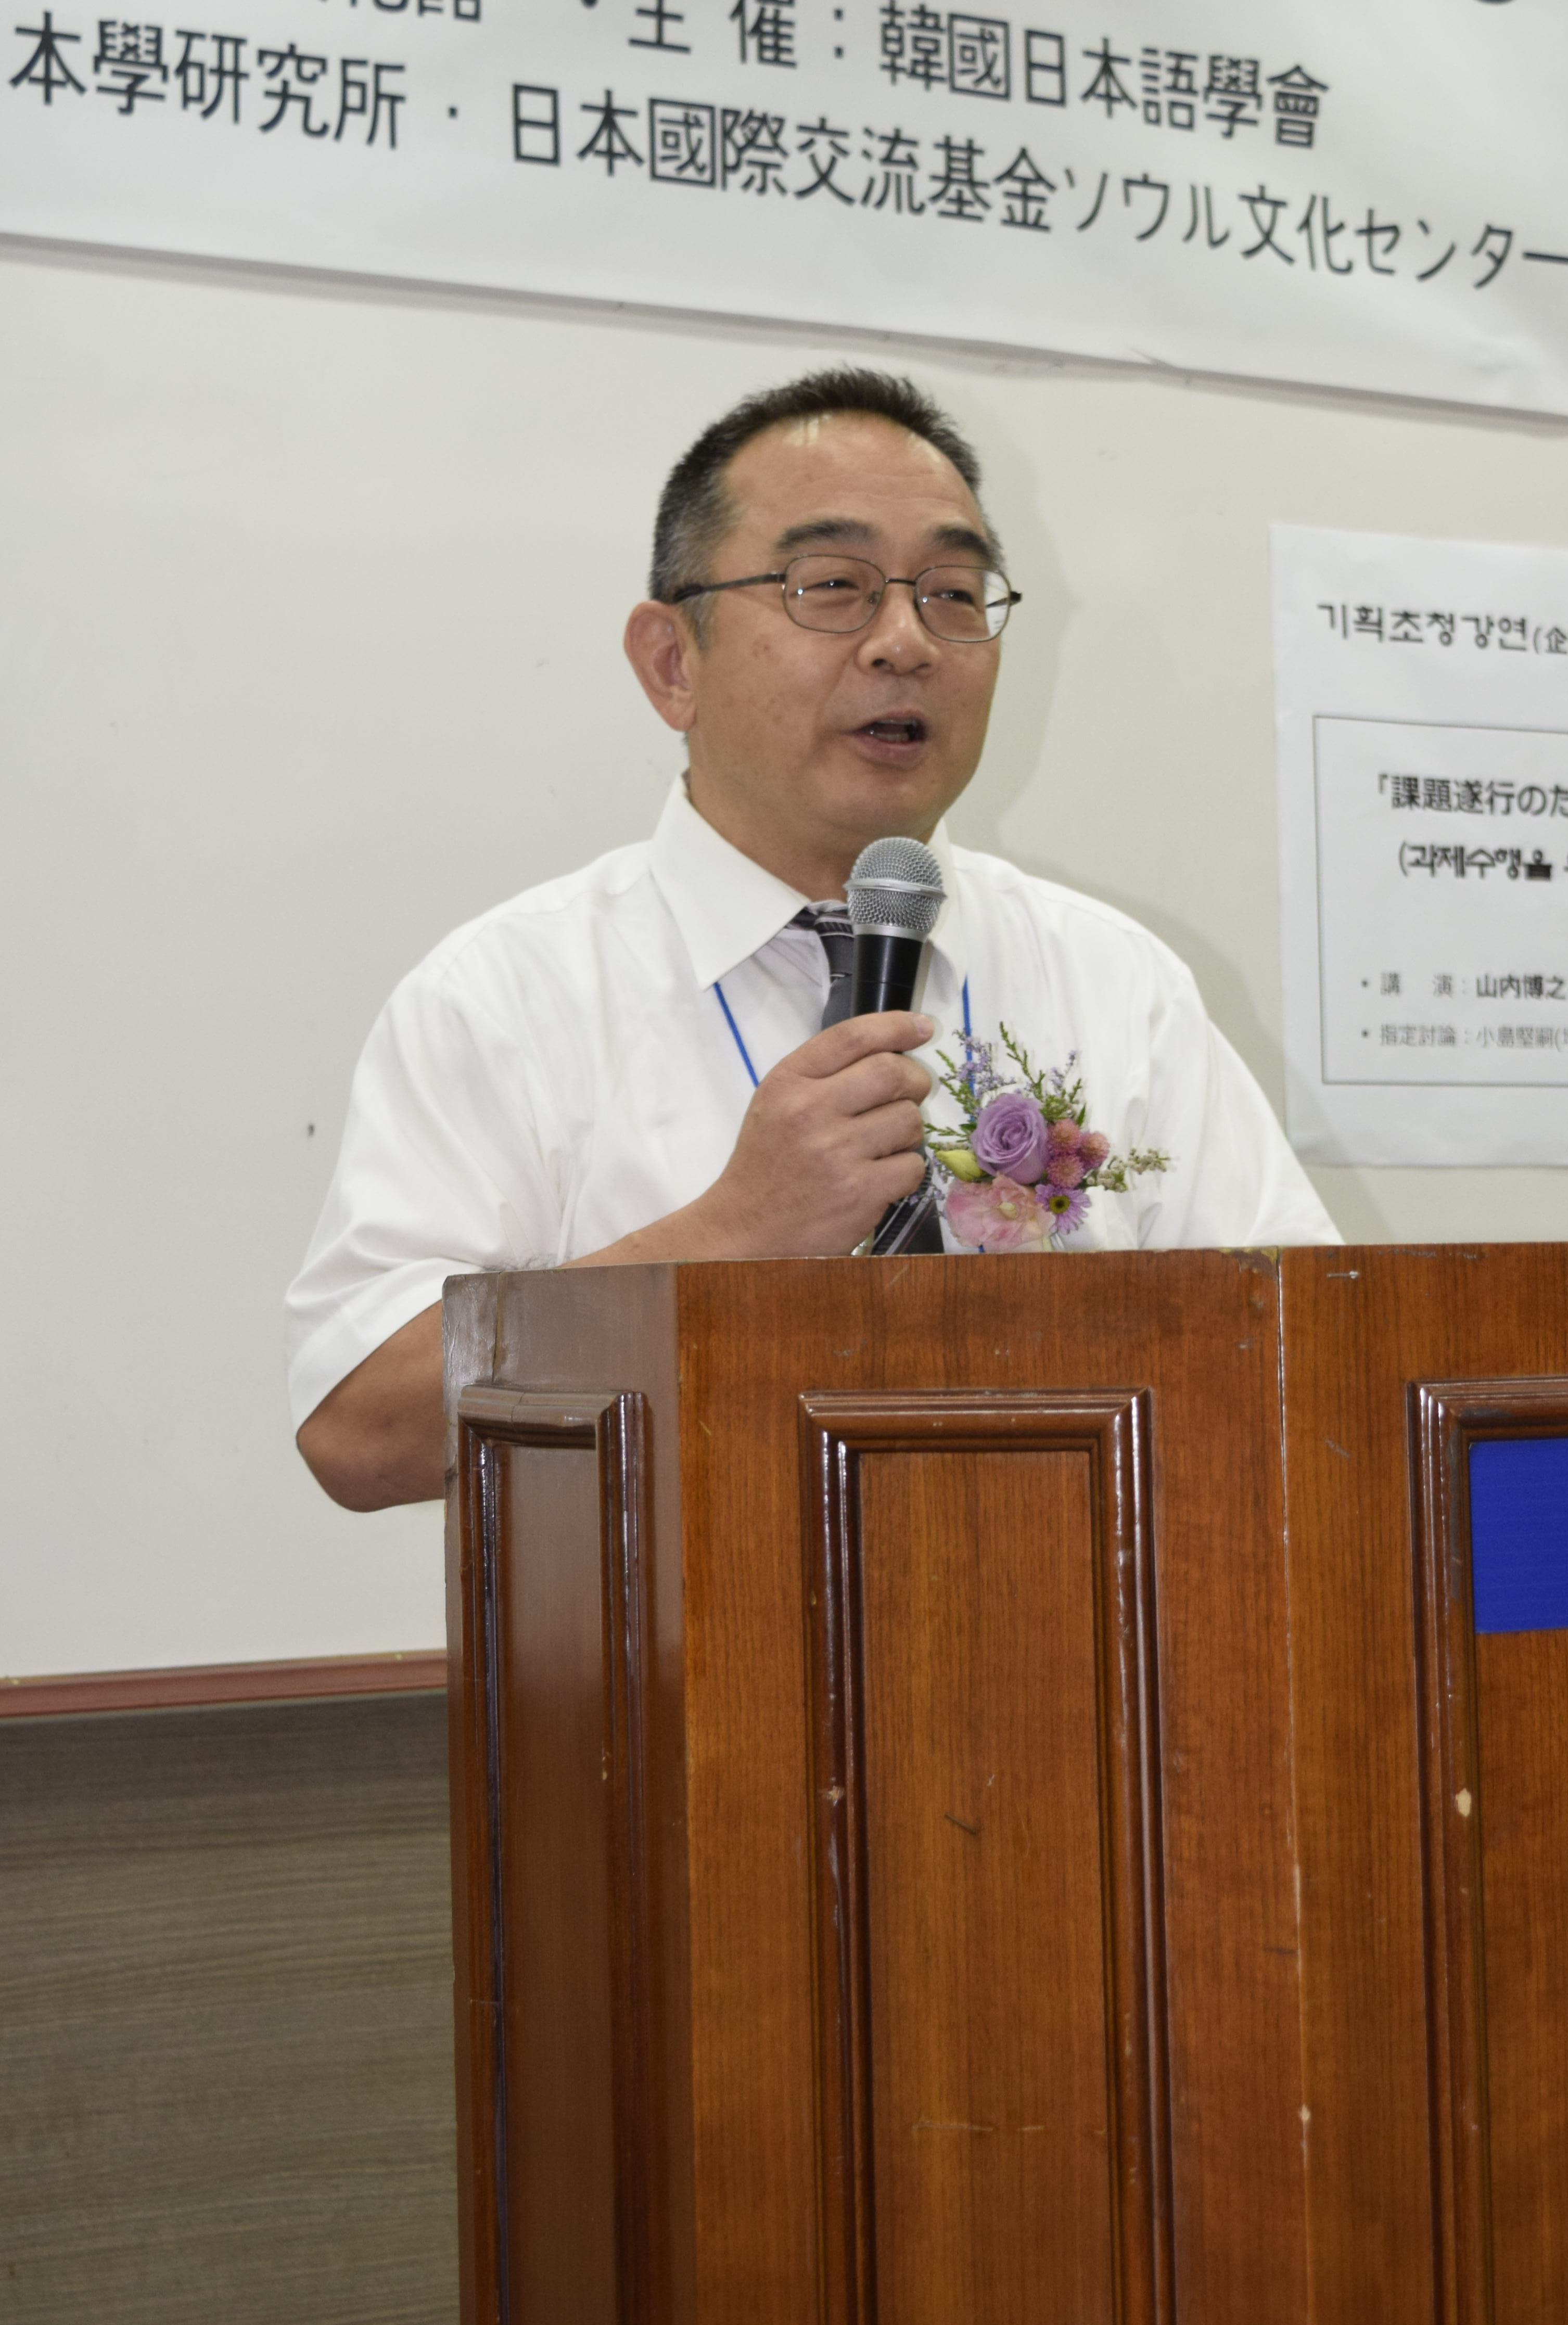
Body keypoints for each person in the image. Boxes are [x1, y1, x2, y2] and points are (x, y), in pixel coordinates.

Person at [289, 367, 1338, 1510]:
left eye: (952, 593)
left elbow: (1318, 1365)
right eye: (832, 586)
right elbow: (360, 1434)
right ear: (672, 663)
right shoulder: (507, 995)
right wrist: (732, 1233)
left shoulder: (1113, 980)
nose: (905, 643)